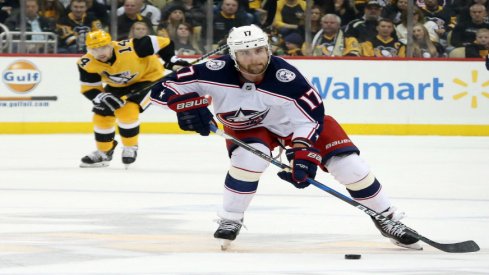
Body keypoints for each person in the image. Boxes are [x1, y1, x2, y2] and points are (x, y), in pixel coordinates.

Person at [149, 24, 421, 250]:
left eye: (259, 50)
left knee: (350, 167)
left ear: (268, 49)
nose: (254, 58)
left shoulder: (287, 78)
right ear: (232, 55)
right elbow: (162, 89)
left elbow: (310, 118)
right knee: (249, 161)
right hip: (247, 127)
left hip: (293, 126)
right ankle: (230, 218)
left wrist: (304, 156)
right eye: (245, 53)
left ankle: (387, 218)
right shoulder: (211, 70)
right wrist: (183, 106)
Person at [77, 30, 189, 168]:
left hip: (149, 79)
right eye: (94, 49)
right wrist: (102, 96)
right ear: (88, 50)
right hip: (117, 85)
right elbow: (90, 88)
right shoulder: (86, 63)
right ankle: (104, 151)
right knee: (101, 115)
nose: (100, 52)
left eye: (104, 47)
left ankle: (130, 147)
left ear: (111, 44)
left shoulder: (132, 47)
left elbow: (164, 42)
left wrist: (171, 60)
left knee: (128, 111)